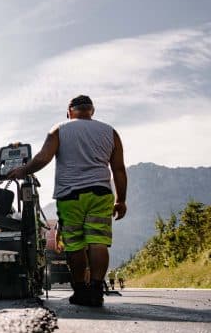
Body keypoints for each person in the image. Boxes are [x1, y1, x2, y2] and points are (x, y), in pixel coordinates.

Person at [7, 95, 127, 307]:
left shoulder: (60, 129)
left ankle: (80, 291)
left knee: (75, 245)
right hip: (100, 193)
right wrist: (121, 200)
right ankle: (97, 291)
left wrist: (22, 170)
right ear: (92, 110)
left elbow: (43, 158)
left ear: (69, 111)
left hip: (70, 196)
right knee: (98, 242)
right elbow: (118, 169)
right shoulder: (110, 132)